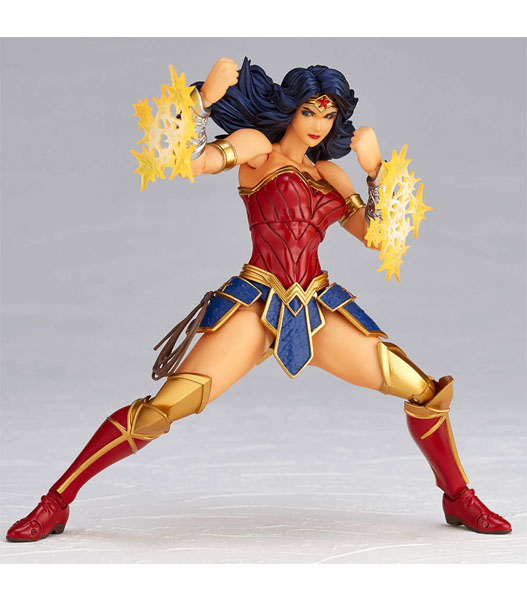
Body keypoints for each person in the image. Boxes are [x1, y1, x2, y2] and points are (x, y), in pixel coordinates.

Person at [6, 57, 511, 542]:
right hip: (254, 304)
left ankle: (458, 497)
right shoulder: (257, 150)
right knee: (162, 410)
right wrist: (202, 100)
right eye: (309, 111)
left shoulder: (332, 175)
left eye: (328, 114)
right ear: (291, 108)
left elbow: (379, 239)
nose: (318, 125)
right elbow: (187, 163)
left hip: (317, 307)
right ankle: (57, 500)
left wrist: (377, 168)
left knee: (425, 392)